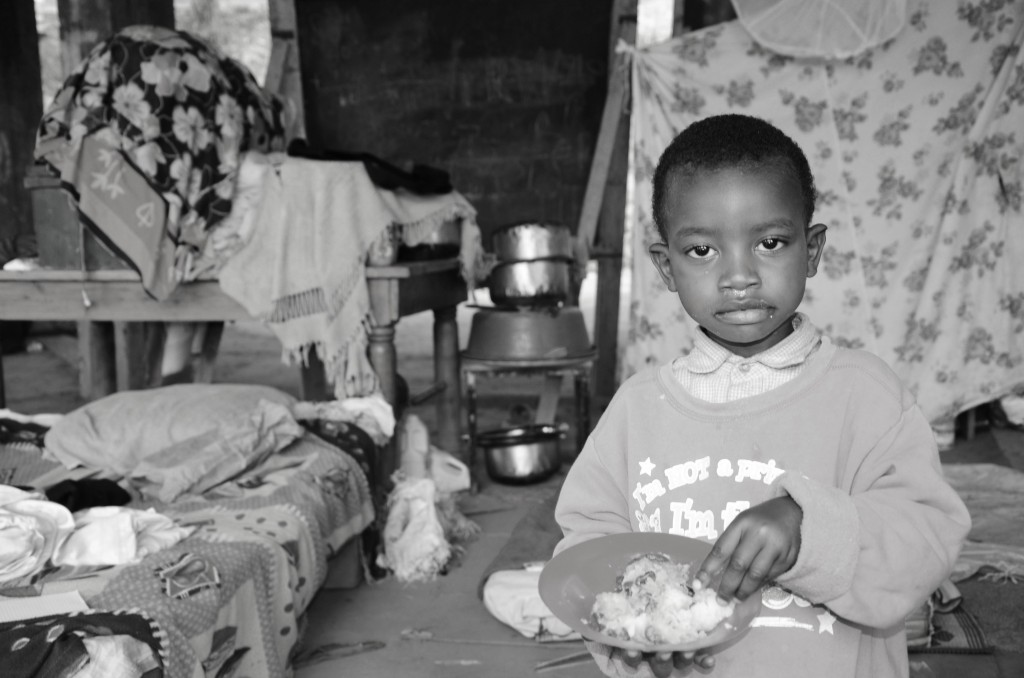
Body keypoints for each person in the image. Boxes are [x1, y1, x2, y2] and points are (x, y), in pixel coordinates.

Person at [553, 113, 971, 678]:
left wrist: (809, 532)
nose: (739, 276)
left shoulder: (867, 397)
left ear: (812, 250)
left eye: (770, 243)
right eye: (702, 251)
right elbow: (587, 547)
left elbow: (925, 542)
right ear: (666, 267)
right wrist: (623, 632)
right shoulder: (636, 411)